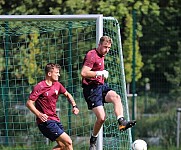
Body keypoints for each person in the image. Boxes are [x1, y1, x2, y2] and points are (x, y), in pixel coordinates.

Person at [81, 36, 136, 150]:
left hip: (101, 86)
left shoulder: (102, 55)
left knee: (116, 97)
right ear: (99, 45)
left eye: (109, 48)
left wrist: (100, 75)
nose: (107, 50)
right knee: (101, 118)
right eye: (105, 47)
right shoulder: (92, 55)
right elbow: (84, 72)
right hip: (91, 90)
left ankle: (121, 122)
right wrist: (99, 73)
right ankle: (93, 141)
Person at [26, 63, 79, 150]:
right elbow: (29, 103)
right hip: (45, 121)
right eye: (57, 72)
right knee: (68, 142)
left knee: (63, 146)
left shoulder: (58, 85)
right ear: (49, 74)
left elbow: (68, 94)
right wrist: (39, 114)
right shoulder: (40, 86)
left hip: (55, 119)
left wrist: (74, 106)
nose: (59, 74)